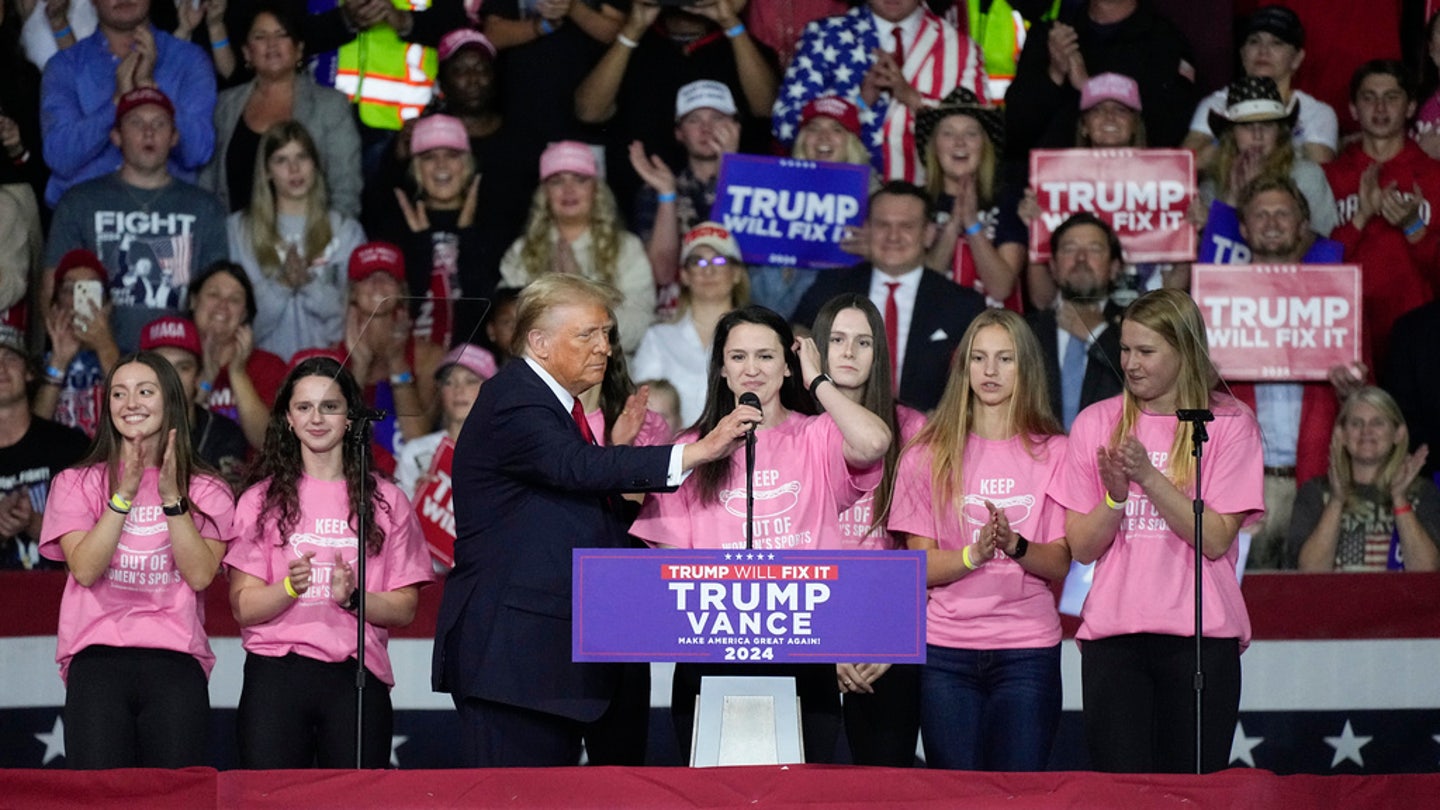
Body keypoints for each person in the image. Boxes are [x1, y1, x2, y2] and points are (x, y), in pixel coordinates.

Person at [431, 273, 754, 767]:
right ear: (538, 342)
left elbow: (573, 504)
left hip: (556, 664)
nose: (604, 347)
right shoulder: (514, 397)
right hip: (513, 662)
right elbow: (576, 468)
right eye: (587, 334)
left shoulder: (557, 410)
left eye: (607, 333)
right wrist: (698, 452)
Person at [631, 305, 891, 763]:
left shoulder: (817, 435)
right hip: (710, 656)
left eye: (766, 357)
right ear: (722, 370)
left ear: (787, 366)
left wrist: (818, 382)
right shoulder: (691, 450)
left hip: (807, 654)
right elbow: (668, 565)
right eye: (738, 357)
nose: (752, 369)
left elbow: (873, 443)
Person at [1052, 288, 1264, 773]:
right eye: (1125, 349)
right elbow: (1082, 548)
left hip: (1200, 641)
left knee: (1192, 795)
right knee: (1121, 797)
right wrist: (1115, 498)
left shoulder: (1229, 424)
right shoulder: (1095, 423)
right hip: (1115, 641)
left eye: (1146, 351)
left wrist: (1149, 477)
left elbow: (1214, 538)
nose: (1130, 363)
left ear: (1184, 350)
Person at [225, 356, 433, 768]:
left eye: (330, 406)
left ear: (351, 418)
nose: (316, 417)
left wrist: (354, 598)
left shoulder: (387, 500)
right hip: (276, 674)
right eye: (304, 407)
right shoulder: (259, 500)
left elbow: (405, 607)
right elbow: (242, 606)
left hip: (356, 677)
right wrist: (288, 587)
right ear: (287, 418)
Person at [889, 308, 1069, 771]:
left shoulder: (1056, 452)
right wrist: (975, 553)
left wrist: (1015, 545)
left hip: (1027, 651)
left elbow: (1060, 563)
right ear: (963, 367)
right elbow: (919, 569)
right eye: (979, 358)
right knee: (956, 798)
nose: (989, 372)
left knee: (1019, 797)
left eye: (1005, 359)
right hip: (946, 653)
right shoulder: (925, 454)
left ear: (1026, 367)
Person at [38, 351, 235, 768]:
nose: (131, 404)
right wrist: (122, 496)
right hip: (97, 662)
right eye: (119, 394)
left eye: (145, 392)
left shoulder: (209, 488)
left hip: (176, 664)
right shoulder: (74, 483)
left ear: (170, 402)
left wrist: (171, 500)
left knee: (174, 799)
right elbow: (86, 568)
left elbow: (201, 575)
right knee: (99, 799)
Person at [810, 293, 924, 767]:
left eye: (863, 342)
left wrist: (893, 637)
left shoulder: (911, 427)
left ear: (880, 353)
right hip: (806, 632)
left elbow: (922, 549)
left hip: (886, 640)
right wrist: (825, 645)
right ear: (817, 349)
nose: (849, 353)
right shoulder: (795, 426)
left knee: (885, 789)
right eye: (836, 340)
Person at [43, 87, 229, 352]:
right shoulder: (79, 201)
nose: (149, 132)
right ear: (116, 136)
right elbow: (52, 288)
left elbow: (220, 293)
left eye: (160, 124)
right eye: (136, 123)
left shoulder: (205, 207)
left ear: (174, 137)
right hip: (92, 361)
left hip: (176, 363)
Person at [792, 181, 986, 412]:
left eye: (907, 226)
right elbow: (795, 335)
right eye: (883, 225)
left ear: (928, 234)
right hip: (836, 427)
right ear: (868, 229)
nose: (893, 236)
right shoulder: (831, 285)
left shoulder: (962, 304)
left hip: (930, 436)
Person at [574, 0, 780, 211]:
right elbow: (588, 112)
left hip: (727, 209)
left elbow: (767, 109)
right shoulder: (630, 45)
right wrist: (633, 29)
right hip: (640, 208)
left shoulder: (742, 45)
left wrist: (729, 22)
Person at [772, 0, 988, 182]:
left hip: (926, 203)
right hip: (843, 195)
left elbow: (985, 134)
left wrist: (912, 98)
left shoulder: (961, 48)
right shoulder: (824, 35)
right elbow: (785, 126)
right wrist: (858, 104)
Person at [39, 0, 216, 207]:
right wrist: (116, 103)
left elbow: (197, 152)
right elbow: (60, 157)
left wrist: (150, 89)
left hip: (169, 217)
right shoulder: (65, 65)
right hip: (85, 219)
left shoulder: (189, 59)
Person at [1325, 60, 1440, 368]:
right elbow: (1313, 267)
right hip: (1345, 330)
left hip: (1418, 335)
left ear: (1411, 106)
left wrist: (1414, 227)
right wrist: (1360, 218)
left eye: (1391, 97)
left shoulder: (1434, 177)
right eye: (1368, 97)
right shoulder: (1329, 177)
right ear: (1352, 108)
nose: (1379, 107)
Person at [200, 2, 361, 217]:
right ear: (247, 53)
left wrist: (327, 244)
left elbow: (345, 190)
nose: (271, 44)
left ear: (299, 49)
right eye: (260, 37)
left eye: (281, 35)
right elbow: (207, 184)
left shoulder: (331, 105)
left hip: (313, 243)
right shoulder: (225, 105)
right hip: (235, 243)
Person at [227, 121, 366, 362]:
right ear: (267, 171)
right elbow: (236, 322)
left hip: (328, 369)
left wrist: (309, 285)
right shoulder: (238, 230)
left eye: (302, 156)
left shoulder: (346, 231)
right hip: (259, 370)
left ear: (315, 163)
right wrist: (281, 285)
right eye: (281, 160)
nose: (294, 168)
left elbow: (355, 320)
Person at [499, 141, 654, 354]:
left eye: (580, 179)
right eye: (557, 181)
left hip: (610, 376)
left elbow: (638, 330)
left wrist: (578, 293)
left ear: (596, 189)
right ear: (544, 192)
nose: (568, 190)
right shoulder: (521, 252)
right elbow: (507, 327)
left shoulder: (627, 248)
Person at [1004, 0, 1196, 165]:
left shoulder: (1165, 41)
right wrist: (1054, 75)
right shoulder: (1053, 36)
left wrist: (1090, 89)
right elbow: (1015, 134)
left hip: (1135, 191)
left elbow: (1172, 136)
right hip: (1054, 190)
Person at [1288, 387, 1439, 572]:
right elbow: (1309, 572)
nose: (1366, 431)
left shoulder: (1423, 492)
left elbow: (1426, 572)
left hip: (1400, 600)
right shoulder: (1315, 491)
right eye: (1356, 423)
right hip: (1335, 600)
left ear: (1398, 434)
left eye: (1377, 423)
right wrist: (1336, 500)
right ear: (1341, 435)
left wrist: (1400, 499)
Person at [629, 80, 744, 318]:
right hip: (677, 315)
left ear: (736, 127)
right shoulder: (657, 188)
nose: (706, 129)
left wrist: (730, 169)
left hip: (743, 311)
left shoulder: (761, 186)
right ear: (679, 133)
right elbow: (662, 273)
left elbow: (749, 260)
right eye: (694, 120)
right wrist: (667, 195)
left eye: (717, 118)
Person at [1181, 5, 1337, 167]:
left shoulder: (1316, 113)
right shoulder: (1216, 105)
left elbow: (1317, 176)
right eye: (1254, 41)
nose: (1263, 51)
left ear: (1297, 58)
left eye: (1277, 43)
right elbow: (1188, 164)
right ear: (1242, 54)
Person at [385, 114, 491, 349]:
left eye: (452, 155)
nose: (441, 165)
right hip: (412, 360)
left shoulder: (490, 220)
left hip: (472, 367)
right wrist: (420, 244)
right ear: (416, 168)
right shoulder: (397, 222)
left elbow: (485, 308)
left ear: (467, 164)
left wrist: (467, 236)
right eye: (430, 157)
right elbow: (399, 307)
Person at [915, 87, 1025, 310]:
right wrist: (953, 225)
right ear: (934, 146)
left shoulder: (1009, 201)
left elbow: (1002, 288)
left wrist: (972, 224)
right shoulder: (917, 204)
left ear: (985, 146)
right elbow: (920, 288)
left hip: (994, 334)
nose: (959, 143)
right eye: (948, 133)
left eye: (971, 133)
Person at [631, 223, 749, 429]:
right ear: (684, 275)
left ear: (737, 273)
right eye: (697, 262)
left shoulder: (757, 339)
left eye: (720, 260)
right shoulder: (658, 338)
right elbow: (642, 415)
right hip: (674, 455)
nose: (709, 270)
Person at [340, 241, 444, 470]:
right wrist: (359, 368)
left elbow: (418, 441)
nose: (377, 284)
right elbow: (332, 437)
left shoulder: (429, 356)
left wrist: (397, 362)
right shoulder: (331, 357)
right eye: (367, 277)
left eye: (387, 277)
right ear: (353, 292)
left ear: (401, 290)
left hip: (407, 487)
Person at [396, 343, 495, 571]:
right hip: (424, 575)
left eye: (471, 381)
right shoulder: (417, 452)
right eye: (450, 382)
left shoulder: (506, 455)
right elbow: (395, 527)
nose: (459, 390)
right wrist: (416, 501)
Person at [0, 324, 90, 571]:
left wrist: (34, 522)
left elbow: (98, 550)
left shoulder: (70, 446)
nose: (1, 367)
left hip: (58, 602)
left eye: (10, 357)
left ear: (29, 372)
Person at [1200, 76, 1336, 239]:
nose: (1258, 135)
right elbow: (1214, 257)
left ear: (1280, 132)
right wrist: (1233, 201)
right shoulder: (1214, 184)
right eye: (1246, 126)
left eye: (1267, 125)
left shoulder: (1307, 176)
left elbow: (1325, 245)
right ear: (1232, 134)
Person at [1024, 213, 1125, 431]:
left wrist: (1099, 333)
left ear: (1115, 267)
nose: (1081, 258)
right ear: (1052, 266)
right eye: (1070, 249)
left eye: (1094, 249)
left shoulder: (1135, 325)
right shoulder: (1027, 330)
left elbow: (1152, 382)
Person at [186, 261, 289, 450]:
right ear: (193, 301)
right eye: (213, 295)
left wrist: (237, 373)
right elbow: (177, 437)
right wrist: (207, 379)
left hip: (249, 477)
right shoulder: (176, 360)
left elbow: (268, 443)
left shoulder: (269, 366)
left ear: (244, 314)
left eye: (234, 300)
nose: (222, 306)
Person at [140, 315, 248, 486]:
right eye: (161, 367)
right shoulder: (126, 430)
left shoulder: (224, 433)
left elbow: (225, 504)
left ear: (198, 376)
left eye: (183, 367)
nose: (172, 377)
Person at [35, 249, 121, 438]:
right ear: (55, 305)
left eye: (90, 289)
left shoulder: (127, 360)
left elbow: (132, 409)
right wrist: (58, 362)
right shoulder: (36, 366)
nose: (78, 299)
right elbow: (33, 436)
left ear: (107, 307)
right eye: (68, 289)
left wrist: (105, 346)